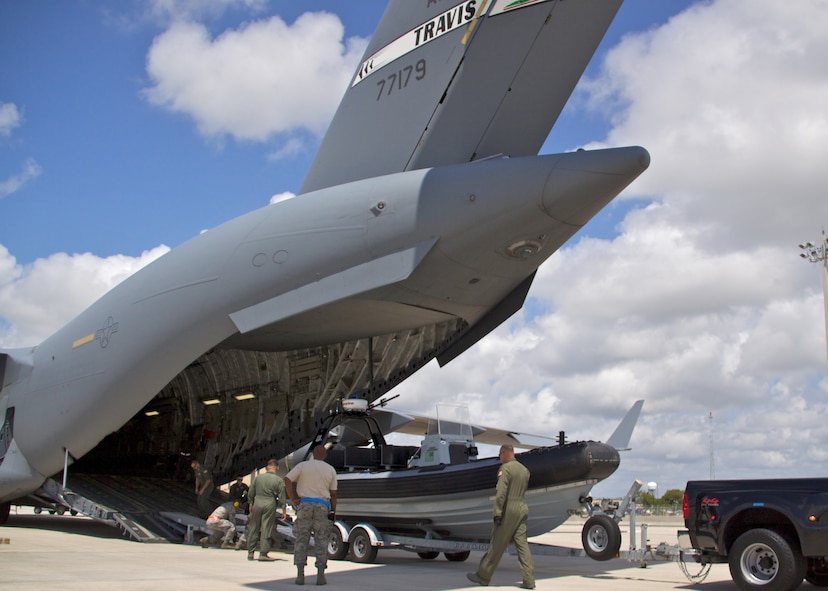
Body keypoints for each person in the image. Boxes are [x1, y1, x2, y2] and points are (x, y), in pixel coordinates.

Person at [467, 445, 535, 589]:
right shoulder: (524, 470)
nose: (499, 458)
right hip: (522, 507)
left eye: (500, 455)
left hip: (509, 509)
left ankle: (483, 576)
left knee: (496, 545)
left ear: (505, 453)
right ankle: (529, 580)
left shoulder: (505, 469)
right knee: (522, 546)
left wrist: (497, 513)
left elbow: (501, 493)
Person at [284, 445, 338, 586]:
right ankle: (320, 575)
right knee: (321, 540)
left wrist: (293, 498)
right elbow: (333, 494)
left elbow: (287, 479)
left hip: (305, 504)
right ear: (325, 455)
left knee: (302, 539)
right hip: (322, 505)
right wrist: (333, 511)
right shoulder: (330, 469)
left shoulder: (303, 466)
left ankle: (300, 575)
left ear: (313, 454)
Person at [246, 459, 287, 562]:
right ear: (277, 468)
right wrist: (283, 509)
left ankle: (250, 552)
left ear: (267, 467)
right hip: (270, 503)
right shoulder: (279, 480)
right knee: (266, 528)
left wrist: (250, 503)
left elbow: (251, 492)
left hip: (258, 501)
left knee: (254, 527)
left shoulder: (258, 478)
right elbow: (282, 496)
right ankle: (263, 553)